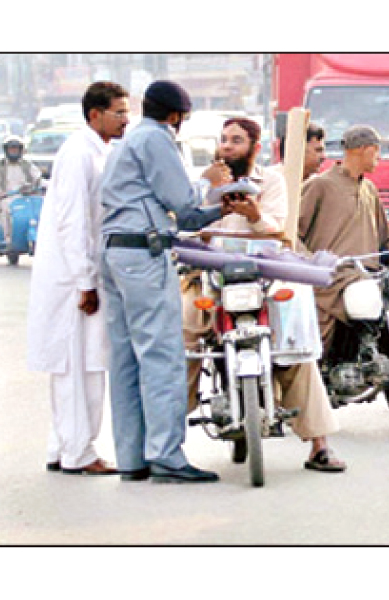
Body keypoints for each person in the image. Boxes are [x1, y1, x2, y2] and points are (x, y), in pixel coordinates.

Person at [182, 116, 345, 472]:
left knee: (295, 343)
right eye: (224, 139)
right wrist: (208, 207)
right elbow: (186, 224)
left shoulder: (271, 181)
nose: (226, 146)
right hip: (209, 277)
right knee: (185, 343)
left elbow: (278, 232)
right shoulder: (204, 182)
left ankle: (319, 444)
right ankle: (166, 441)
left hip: (261, 278)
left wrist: (255, 217)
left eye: (236, 140)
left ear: (254, 148)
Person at [100, 80, 234, 483]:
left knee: (126, 360)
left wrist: (218, 208)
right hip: (144, 253)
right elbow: (185, 206)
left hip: (116, 252)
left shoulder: (127, 142)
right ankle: (166, 457)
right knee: (161, 356)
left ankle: (133, 458)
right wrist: (211, 181)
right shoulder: (156, 140)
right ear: (177, 116)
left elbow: (186, 215)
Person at [26, 82, 130, 476]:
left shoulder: (98, 151)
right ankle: (79, 454)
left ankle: (63, 446)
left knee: (78, 365)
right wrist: (85, 281)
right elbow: (73, 222)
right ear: (95, 115)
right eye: (118, 112)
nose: (125, 119)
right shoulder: (78, 153)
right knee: (79, 367)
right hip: (73, 278)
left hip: (79, 272)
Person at [298, 124, 389, 355]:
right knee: (317, 352)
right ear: (362, 149)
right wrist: (314, 265)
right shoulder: (320, 185)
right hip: (332, 280)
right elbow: (292, 234)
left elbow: (386, 236)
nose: (379, 157)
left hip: (368, 276)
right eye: (376, 150)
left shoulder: (369, 188)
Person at [0, 135, 42, 246]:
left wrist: (39, 185)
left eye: (16, 148)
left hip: (26, 197)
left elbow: (37, 177)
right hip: (7, 197)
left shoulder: (27, 164)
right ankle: (8, 238)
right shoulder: (1, 165)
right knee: (6, 210)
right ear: (6, 150)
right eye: (11, 148)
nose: (13, 151)